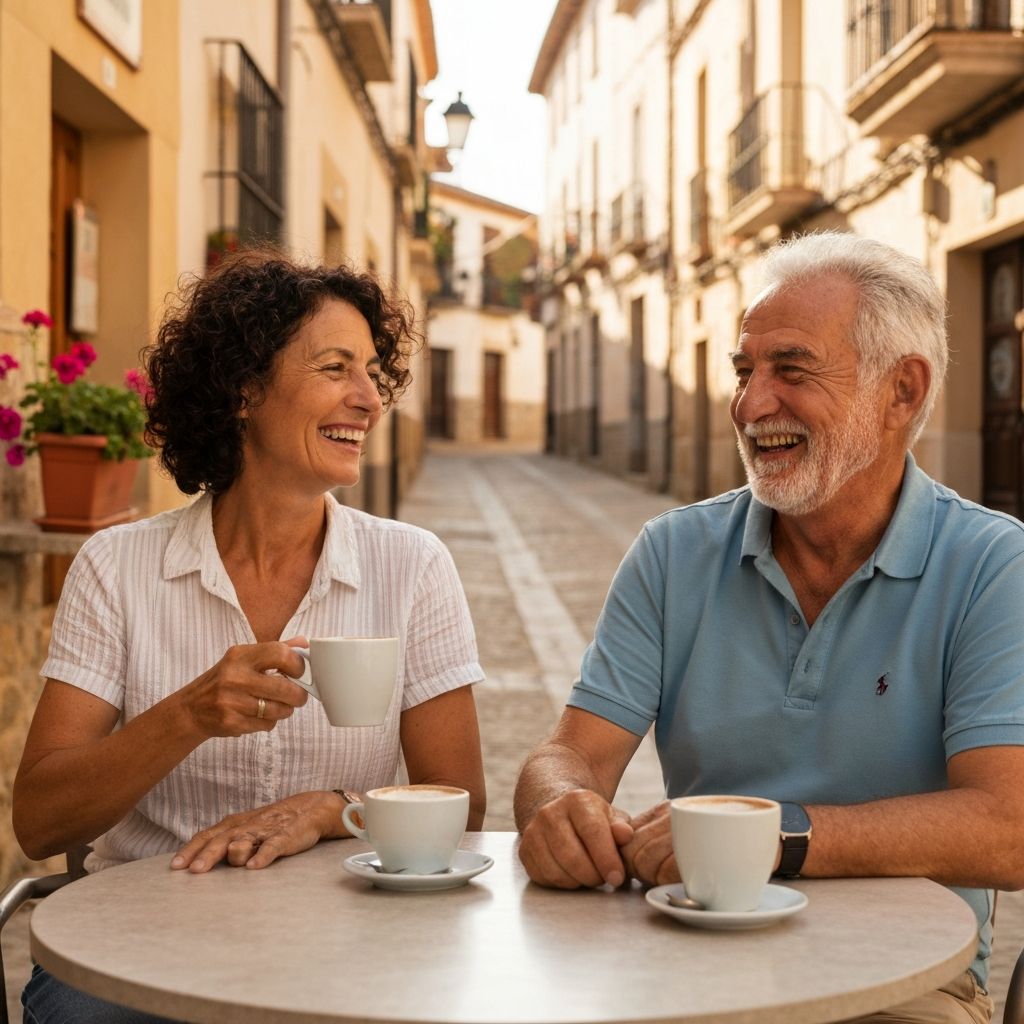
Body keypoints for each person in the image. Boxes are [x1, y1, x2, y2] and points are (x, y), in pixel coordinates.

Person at [514, 231, 1024, 1024]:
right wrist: (559, 804)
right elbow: (571, 752)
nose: (751, 405)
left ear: (902, 392)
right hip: (693, 964)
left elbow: (1010, 828)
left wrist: (777, 838)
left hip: (904, 988)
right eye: (745, 371)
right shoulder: (674, 552)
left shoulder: (995, 565)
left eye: (792, 369)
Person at [14, 250, 486, 1023]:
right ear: (243, 389)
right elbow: (40, 821)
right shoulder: (117, 566)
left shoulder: (413, 566)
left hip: (349, 935)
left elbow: (460, 807)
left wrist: (336, 810)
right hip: (141, 943)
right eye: (335, 367)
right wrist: (188, 715)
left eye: (372, 371)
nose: (368, 398)